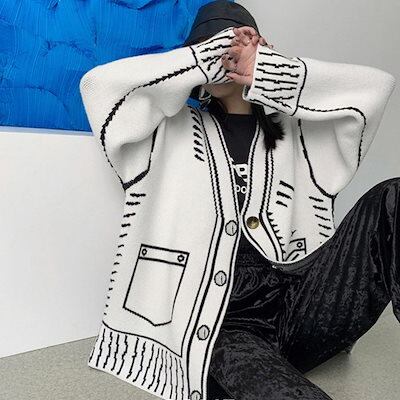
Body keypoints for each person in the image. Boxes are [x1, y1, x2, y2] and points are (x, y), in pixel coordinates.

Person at [79, 1, 397, 399]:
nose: (224, 54)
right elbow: (98, 86)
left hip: (305, 307)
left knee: (394, 195)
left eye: (234, 45)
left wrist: (269, 71)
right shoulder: (162, 133)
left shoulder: (304, 135)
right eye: (211, 46)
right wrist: (206, 58)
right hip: (221, 324)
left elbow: (377, 87)